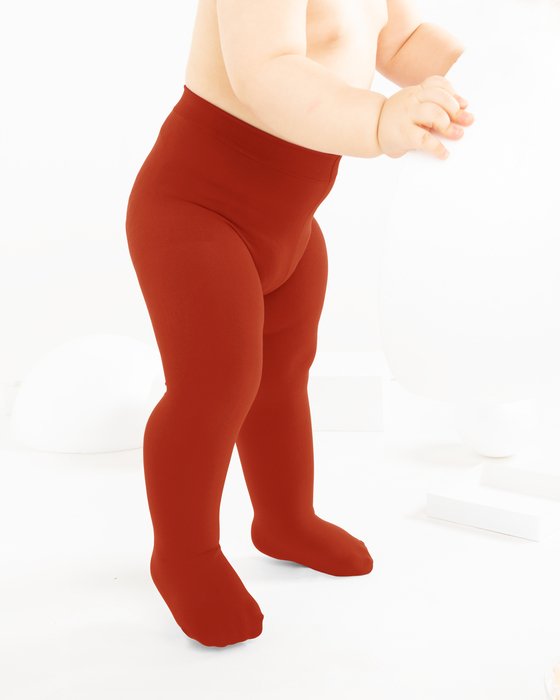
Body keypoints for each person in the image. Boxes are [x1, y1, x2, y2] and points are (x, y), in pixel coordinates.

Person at [125, 0, 475, 648]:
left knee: (283, 378)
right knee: (214, 387)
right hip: (197, 213)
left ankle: (284, 519)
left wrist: (493, 71)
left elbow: (400, 42)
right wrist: (378, 119)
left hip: (288, 226)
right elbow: (266, 70)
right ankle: (184, 553)